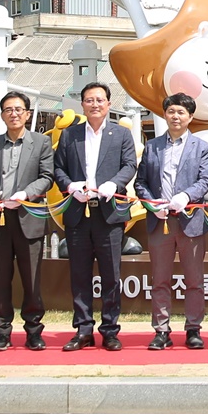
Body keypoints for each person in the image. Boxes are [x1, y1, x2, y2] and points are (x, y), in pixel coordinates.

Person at [54, 81, 138, 352]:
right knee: (79, 274)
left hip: (108, 214)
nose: (94, 104)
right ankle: (83, 329)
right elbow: (58, 169)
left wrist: (115, 184)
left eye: (99, 100)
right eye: (89, 100)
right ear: (82, 104)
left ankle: (110, 330)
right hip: (78, 213)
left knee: (111, 275)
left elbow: (129, 164)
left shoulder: (121, 134)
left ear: (108, 104)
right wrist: (70, 186)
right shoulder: (70, 135)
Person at [134, 92, 208, 350]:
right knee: (160, 280)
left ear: (190, 117)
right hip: (160, 221)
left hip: (190, 221)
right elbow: (141, 182)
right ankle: (161, 330)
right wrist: (151, 203)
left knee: (194, 280)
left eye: (181, 112)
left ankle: (193, 329)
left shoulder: (201, 147)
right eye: (171, 111)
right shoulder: (152, 146)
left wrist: (186, 196)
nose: (175, 116)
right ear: (165, 114)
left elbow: (205, 180)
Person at [0, 91, 55, 352]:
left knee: (31, 278)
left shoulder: (41, 143)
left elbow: (47, 177)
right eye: (8, 110)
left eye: (18, 109)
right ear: (2, 115)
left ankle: (34, 330)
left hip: (28, 218)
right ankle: (2, 331)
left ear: (28, 114)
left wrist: (26, 193)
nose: (14, 114)